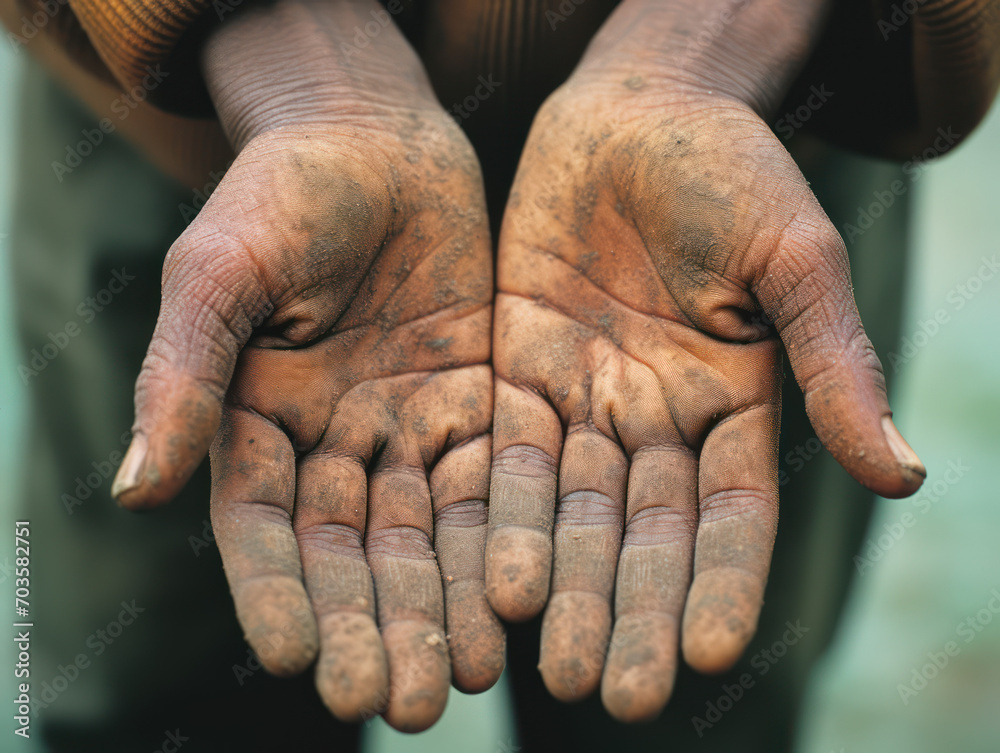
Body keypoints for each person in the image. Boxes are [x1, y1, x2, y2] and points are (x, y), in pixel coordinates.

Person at [3, 0, 998, 749]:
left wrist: (713, 40)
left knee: (694, 706)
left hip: (731, 180)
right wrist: (290, 54)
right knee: (170, 698)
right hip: (197, 131)